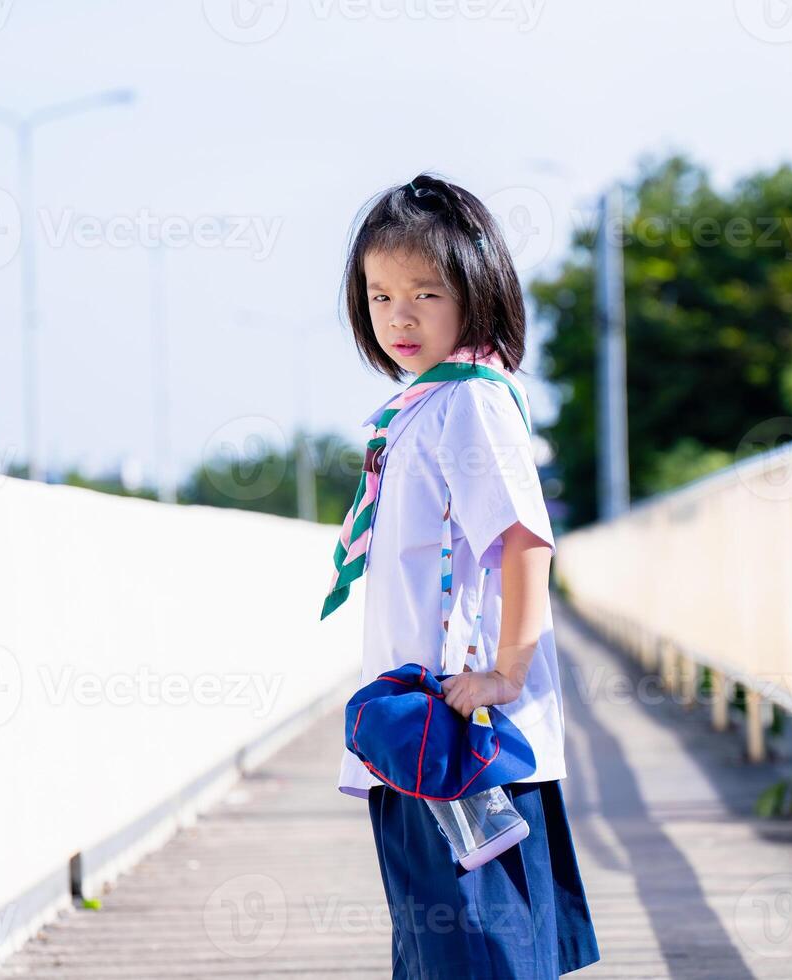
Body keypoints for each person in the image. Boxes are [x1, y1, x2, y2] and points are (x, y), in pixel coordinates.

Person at [322, 172, 600, 978]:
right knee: (442, 952)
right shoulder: (425, 404)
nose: (398, 317)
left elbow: (524, 541)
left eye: (424, 292)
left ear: (475, 293)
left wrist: (506, 674)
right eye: (378, 297)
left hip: (464, 741)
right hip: (416, 735)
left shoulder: (472, 401)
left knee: (480, 955)